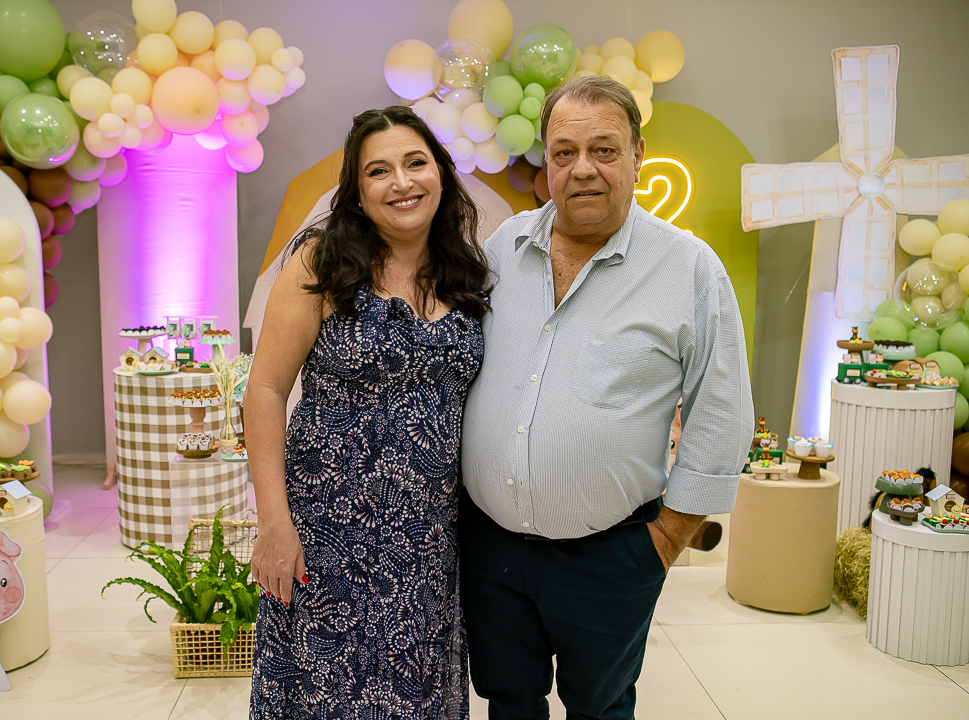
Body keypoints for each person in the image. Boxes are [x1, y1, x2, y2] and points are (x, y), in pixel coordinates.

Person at [460, 75, 754, 719]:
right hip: (492, 550)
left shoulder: (687, 267)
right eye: (565, 152)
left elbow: (722, 407)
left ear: (637, 154)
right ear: (546, 160)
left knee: (600, 708)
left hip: (611, 556)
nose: (583, 169)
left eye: (604, 150)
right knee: (507, 701)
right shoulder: (504, 248)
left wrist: (667, 539)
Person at [244, 105, 490, 720]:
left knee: (415, 693)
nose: (401, 182)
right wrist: (273, 523)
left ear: (441, 173)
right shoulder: (321, 263)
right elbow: (265, 390)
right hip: (325, 532)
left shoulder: (466, 271)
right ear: (357, 191)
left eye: (415, 163)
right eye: (378, 171)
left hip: (428, 539)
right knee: (322, 692)